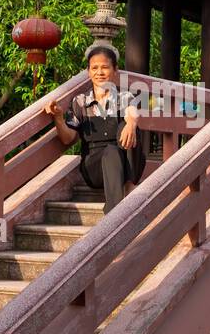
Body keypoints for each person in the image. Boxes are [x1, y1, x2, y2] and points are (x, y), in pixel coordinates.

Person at [43, 42, 145, 214]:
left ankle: (118, 203)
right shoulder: (80, 102)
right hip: (94, 167)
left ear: (115, 70)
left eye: (105, 67)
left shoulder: (124, 97)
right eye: (94, 68)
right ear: (89, 72)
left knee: (125, 126)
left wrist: (132, 124)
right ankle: (120, 206)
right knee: (111, 151)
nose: (99, 72)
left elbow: (132, 111)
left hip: (126, 162)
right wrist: (58, 117)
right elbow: (68, 138)